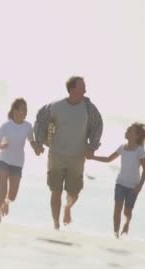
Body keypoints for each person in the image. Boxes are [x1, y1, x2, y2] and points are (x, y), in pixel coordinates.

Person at [33, 76, 103, 230]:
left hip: (77, 157)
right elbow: (40, 121)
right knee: (55, 191)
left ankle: (67, 208)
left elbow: (98, 125)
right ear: (72, 90)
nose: (85, 90)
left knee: (74, 192)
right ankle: (56, 224)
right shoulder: (55, 106)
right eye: (82, 87)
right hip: (56, 155)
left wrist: (92, 147)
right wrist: (38, 143)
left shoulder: (88, 107)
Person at [89, 123, 145, 238]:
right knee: (117, 209)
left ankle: (126, 226)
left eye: (130, 130)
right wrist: (93, 157)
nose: (127, 131)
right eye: (127, 130)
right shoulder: (122, 147)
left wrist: (140, 186)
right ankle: (116, 234)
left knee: (127, 212)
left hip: (133, 186)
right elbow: (108, 159)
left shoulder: (139, 150)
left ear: (136, 135)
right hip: (120, 183)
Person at [0, 98, 35, 222]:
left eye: (26, 110)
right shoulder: (6, 126)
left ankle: (6, 203)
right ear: (15, 111)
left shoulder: (28, 126)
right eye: (23, 109)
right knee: (3, 190)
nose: (25, 112)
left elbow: (32, 142)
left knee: (12, 195)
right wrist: (1, 146)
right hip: (4, 161)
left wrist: (38, 149)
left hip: (18, 163)